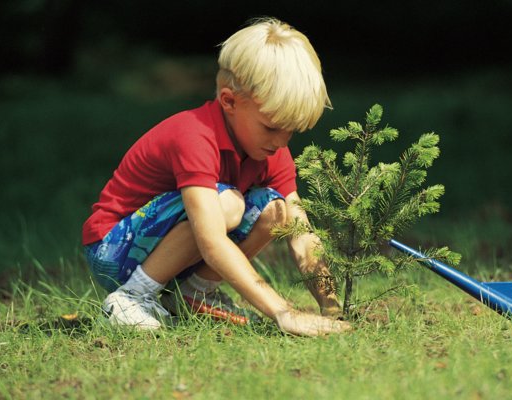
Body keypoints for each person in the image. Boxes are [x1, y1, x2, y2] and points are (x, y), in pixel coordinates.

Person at [81, 17, 350, 336]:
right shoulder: (195, 136)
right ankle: (130, 298)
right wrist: (283, 312)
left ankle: (193, 295)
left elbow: (301, 234)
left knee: (277, 210)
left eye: (291, 131)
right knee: (228, 204)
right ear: (229, 101)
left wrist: (331, 310)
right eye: (272, 127)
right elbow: (210, 240)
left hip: (166, 252)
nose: (281, 141)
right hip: (113, 249)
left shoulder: (270, 151)